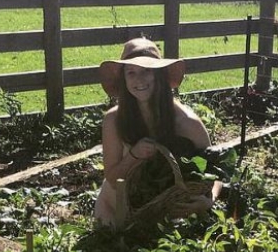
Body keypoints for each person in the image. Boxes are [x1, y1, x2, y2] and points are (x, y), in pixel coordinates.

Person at [94, 38, 221, 226]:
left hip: (164, 209)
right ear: (124, 79)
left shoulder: (187, 123)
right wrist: (134, 155)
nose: (139, 80)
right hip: (116, 206)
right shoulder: (114, 120)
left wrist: (209, 201)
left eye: (147, 71)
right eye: (131, 73)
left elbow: (215, 173)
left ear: (159, 75)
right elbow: (112, 179)